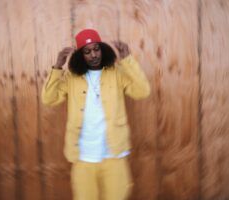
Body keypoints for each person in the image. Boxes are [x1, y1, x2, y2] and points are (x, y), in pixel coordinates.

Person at [41, 29, 150, 200]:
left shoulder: (117, 73)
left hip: (114, 153)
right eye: (87, 51)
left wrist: (127, 60)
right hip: (83, 156)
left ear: (102, 49)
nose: (93, 55)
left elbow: (142, 91)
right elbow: (49, 99)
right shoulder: (71, 78)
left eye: (96, 49)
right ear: (80, 55)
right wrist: (57, 67)